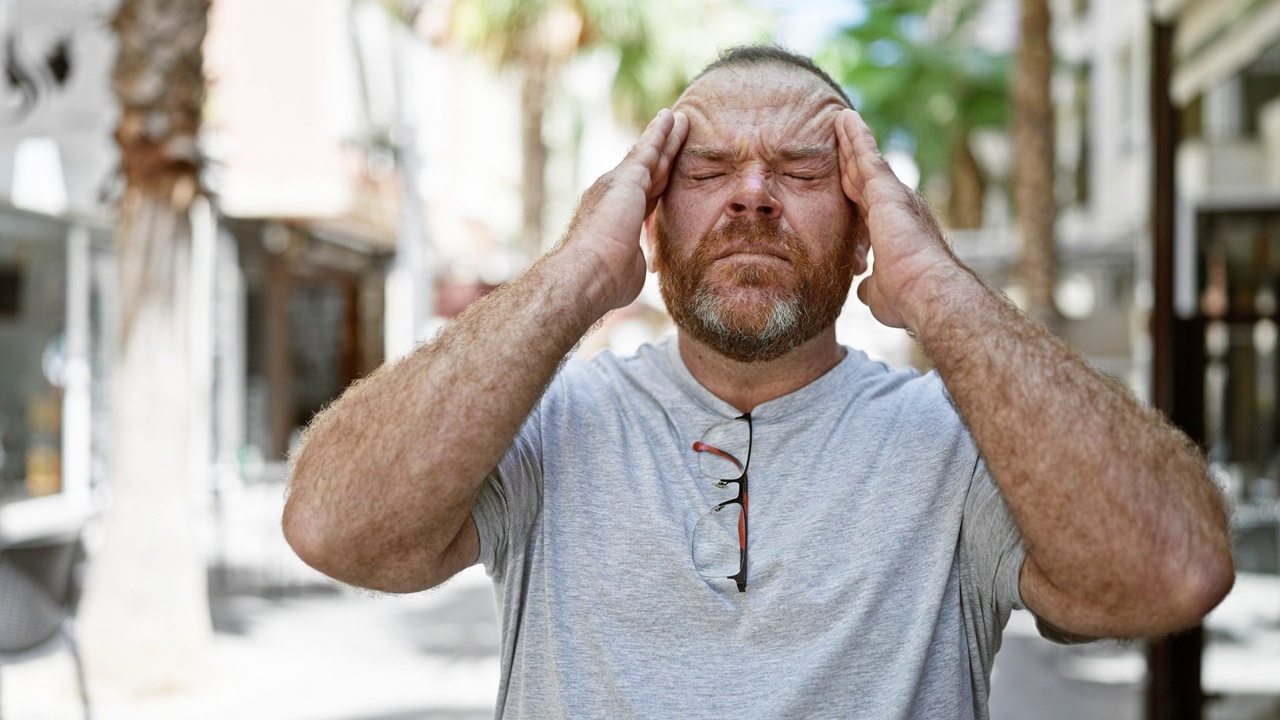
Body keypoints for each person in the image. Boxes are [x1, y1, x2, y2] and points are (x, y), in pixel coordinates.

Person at [282, 46, 1234, 718]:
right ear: (650, 223)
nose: (751, 193)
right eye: (708, 169)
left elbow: (1172, 573)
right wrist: (573, 273)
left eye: (802, 169)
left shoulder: (964, 444)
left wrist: (943, 289)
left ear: (867, 223)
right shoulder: (545, 422)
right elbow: (335, 527)